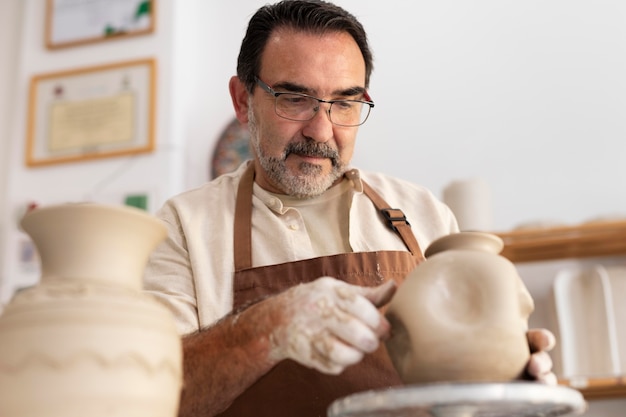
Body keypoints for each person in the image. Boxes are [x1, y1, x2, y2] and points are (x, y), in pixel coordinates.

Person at [143, 1, 557, 416]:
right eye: (294, 98)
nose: (321, 130)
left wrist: (512, 384)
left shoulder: (423, 212)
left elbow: (469, 390)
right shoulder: (181, 229)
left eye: (344, 102)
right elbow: (146, 396)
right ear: (242, 100)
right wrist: (265, 328)